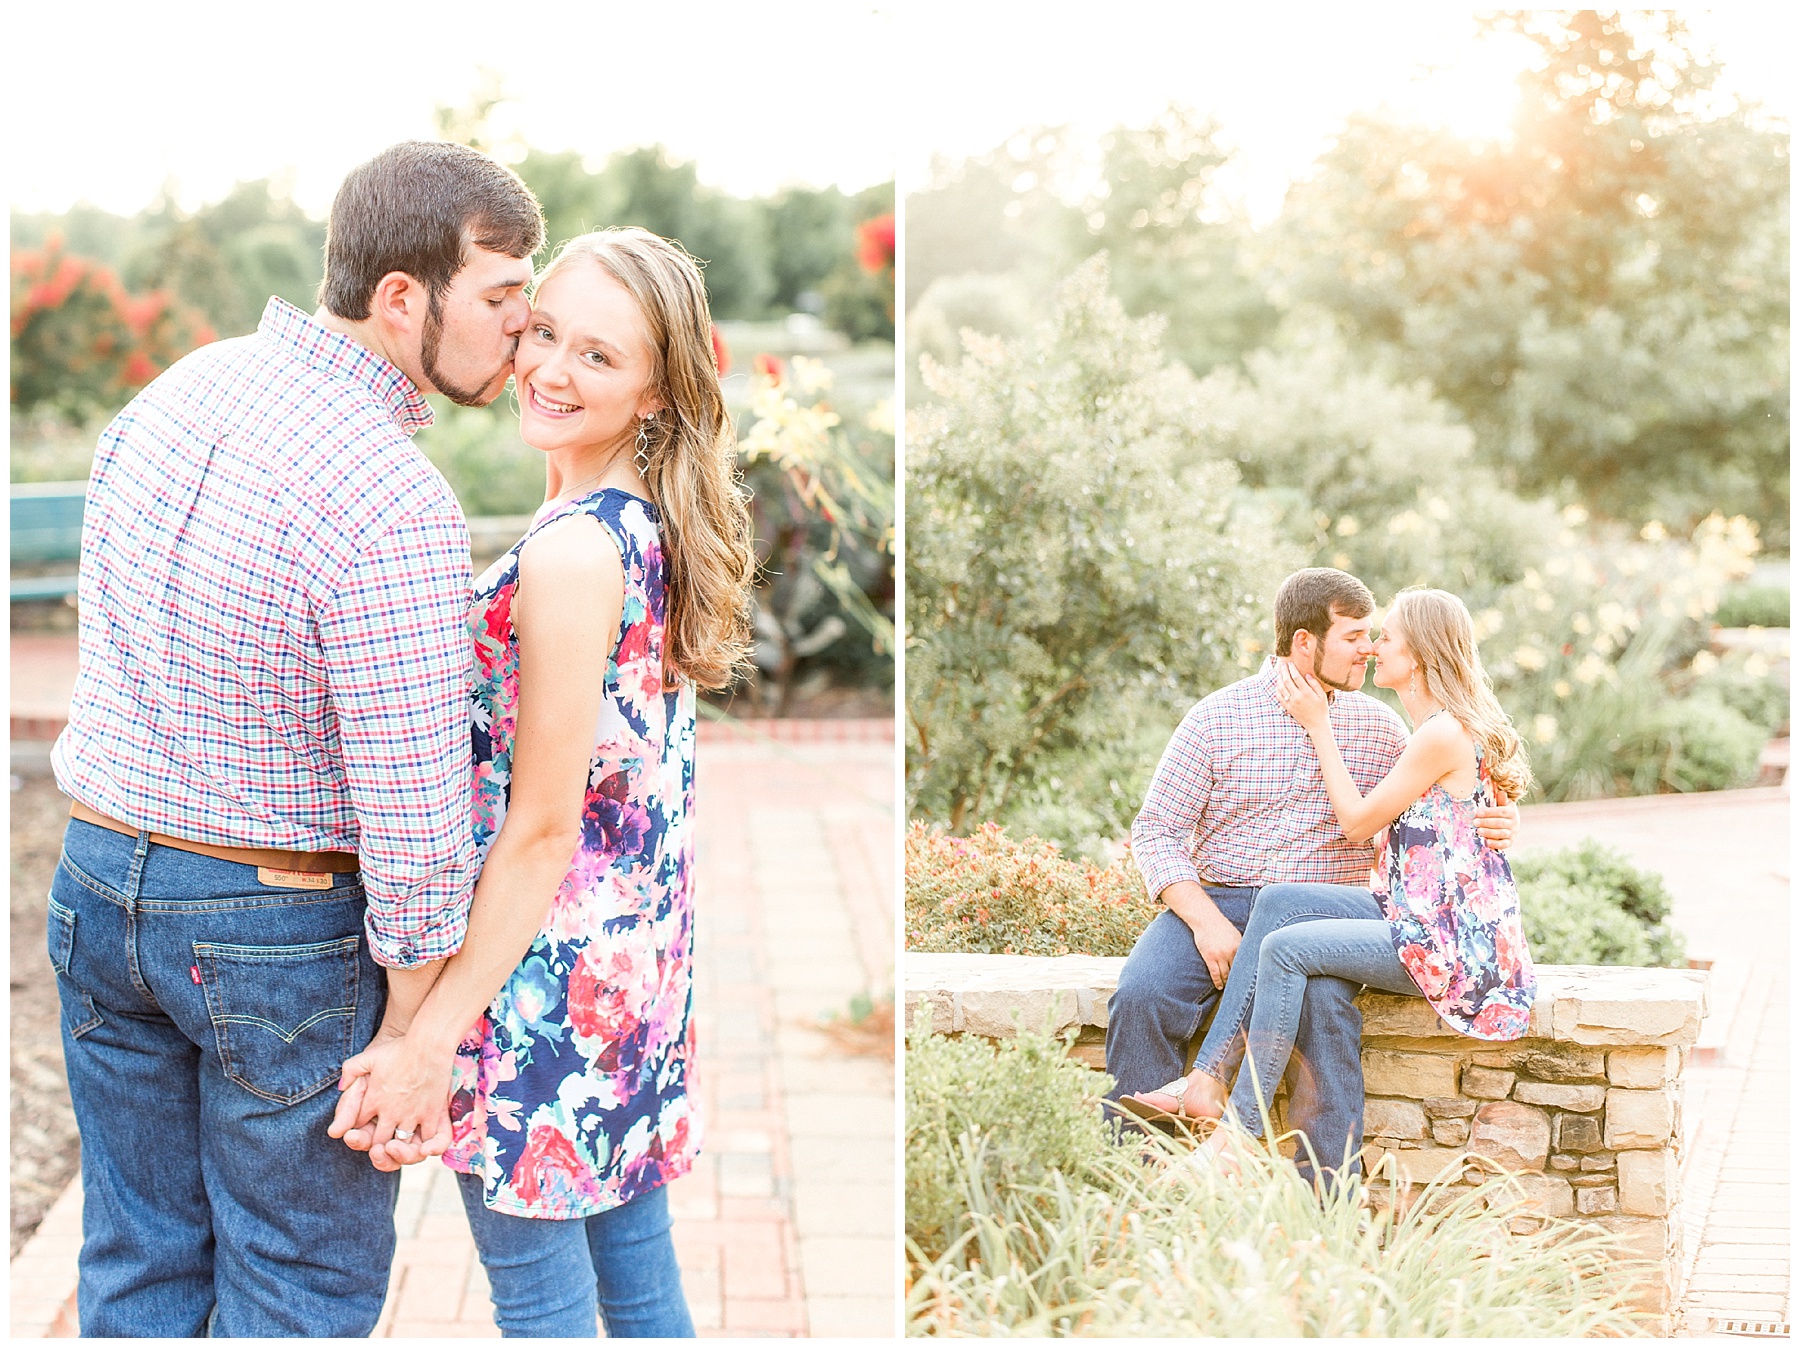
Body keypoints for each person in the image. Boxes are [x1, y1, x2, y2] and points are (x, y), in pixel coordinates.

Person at [46, 141, 543, 1336]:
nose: (522, 332)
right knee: (298, 1291)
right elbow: (416, 823)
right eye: (500, 296)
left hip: (99, 880)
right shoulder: (389, 495)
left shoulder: (177, 390)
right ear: (402, 298)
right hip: (271, 933)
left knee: (135, 1264)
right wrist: (415, 1034)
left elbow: (101, 631)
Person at [327, 227, 756, 1339]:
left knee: (544, 1312)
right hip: (627, 980)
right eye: (546, 330)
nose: (552, 368)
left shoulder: (574, 556)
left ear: (660, 391)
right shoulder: (638, 529)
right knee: (642, 1289)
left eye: (599, 357)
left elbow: (542, 827)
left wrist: (428, 1043)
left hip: (538, 996)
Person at [1107, 568, 1518, 1186]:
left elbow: (1442, 803)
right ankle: (1135, 1191)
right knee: (1141, 995)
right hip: (1214, 901)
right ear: (1306, 643)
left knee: (1325, 1014)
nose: (1370, 647)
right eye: (1355, 636)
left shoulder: (1382, 728)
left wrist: (1500, 820)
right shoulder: (1217, 718)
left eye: (1376, 636)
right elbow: (1157, 832)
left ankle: (1324, 1211)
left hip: (1329, 911)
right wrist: (1206, 921)